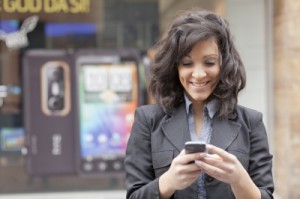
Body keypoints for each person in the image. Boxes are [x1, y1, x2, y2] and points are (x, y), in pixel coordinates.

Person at [124, 8, 274, 199]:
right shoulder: (147, 120)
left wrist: (239, 180)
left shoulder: (251, 122)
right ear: (175, 67)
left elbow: (266, 194)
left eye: (209, 63)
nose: (199, 74)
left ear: (224, 64)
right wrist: (167, 182)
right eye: (187, 63)